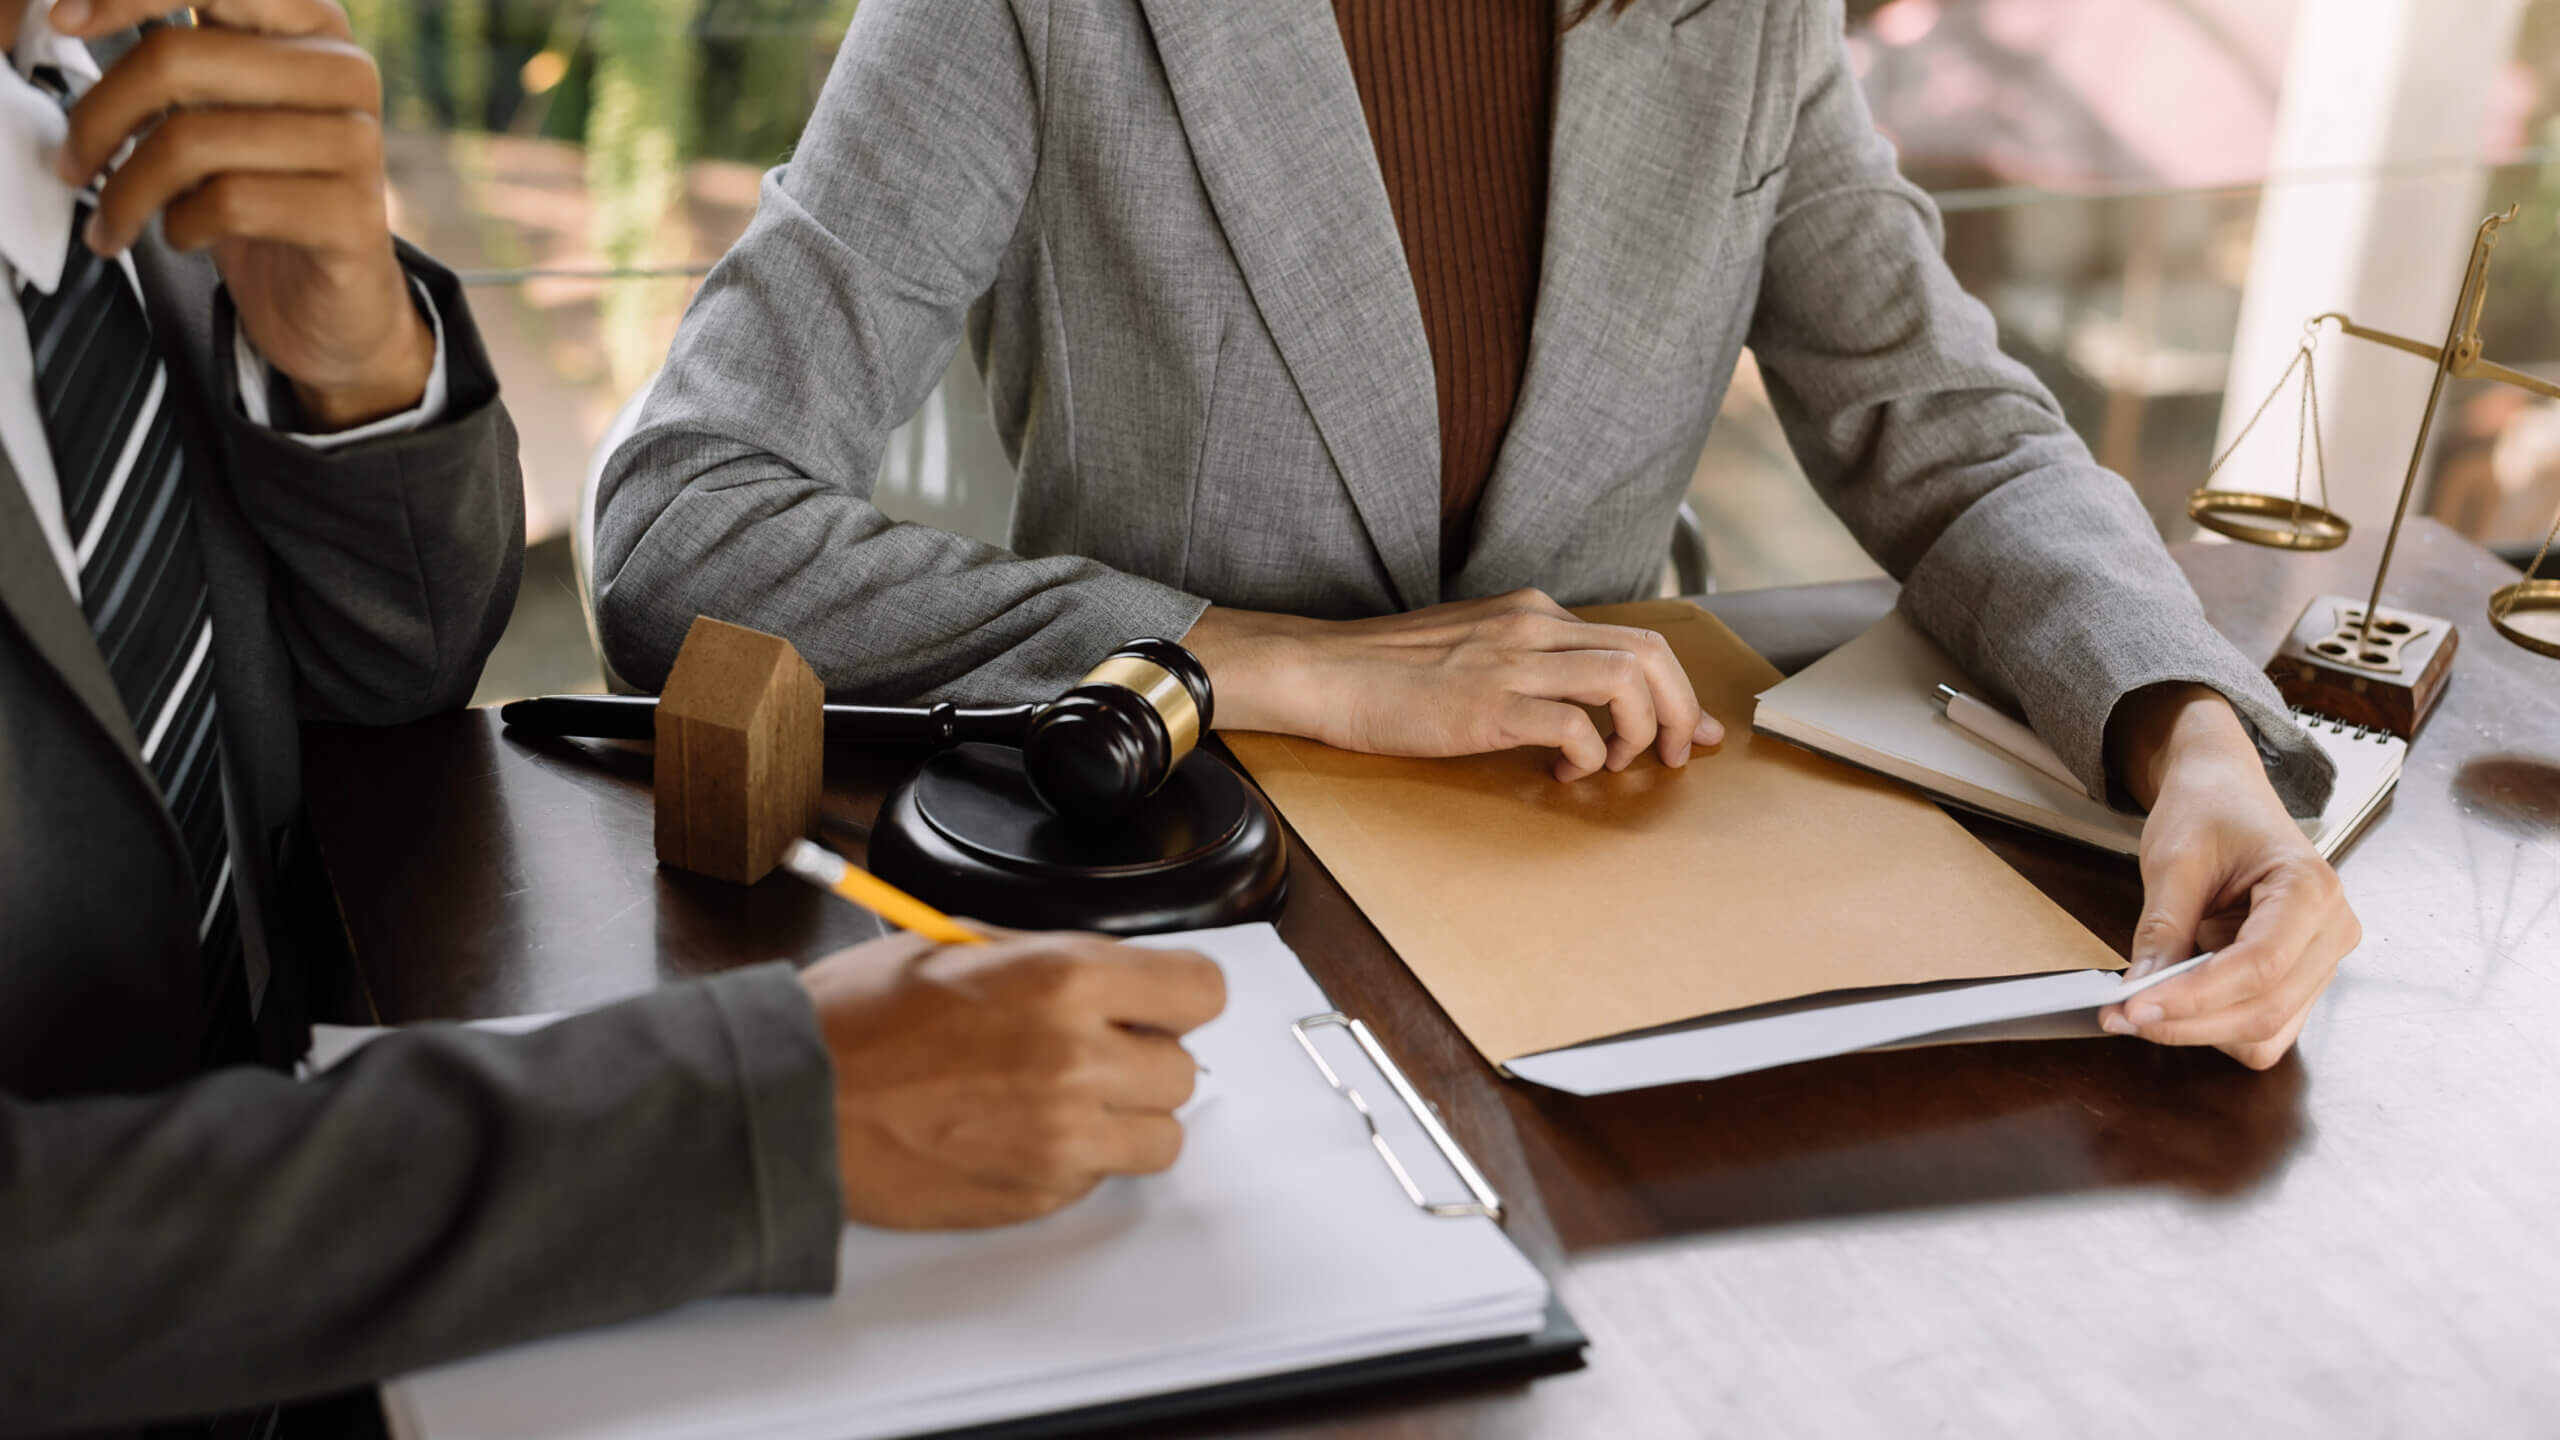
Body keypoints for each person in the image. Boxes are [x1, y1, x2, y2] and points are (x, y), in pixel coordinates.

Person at [594, 0, 2360, 1073]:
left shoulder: (1738, 20)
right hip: (1192, 913)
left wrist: (2193, 742)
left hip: (1641, 910)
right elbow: (681, 519)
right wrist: (1262, 663)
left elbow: (1955, 441)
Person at [0, 1, 1223, 1432]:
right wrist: (741, 1121)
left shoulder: (108, 98)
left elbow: (379, 682)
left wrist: (353, 375)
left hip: (360, 1292)